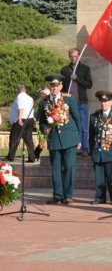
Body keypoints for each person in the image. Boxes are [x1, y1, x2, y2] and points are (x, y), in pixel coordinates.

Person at [38, 75, 81, 205]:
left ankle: (68, 195)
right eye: (52, 85)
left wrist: (79, 139)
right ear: (49, 86)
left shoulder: (68, 100)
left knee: (69, 167)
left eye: (57, 86)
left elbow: (77, 119)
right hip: (54, 139)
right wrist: (44, 129)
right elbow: (41, 122)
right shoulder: (44, 102)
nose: (54, 88)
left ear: (61, 86)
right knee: (56, 168)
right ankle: (57, 195)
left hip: (70, 138)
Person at [61, 48, 93, 157]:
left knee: (83, 126)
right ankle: (71, 147)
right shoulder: (65, 70)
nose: (73, 58)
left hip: (81, 102)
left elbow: (89, 84)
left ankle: (84, 148)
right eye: (71, 56)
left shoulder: (85, 69)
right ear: (69, 57)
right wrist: (68, 79)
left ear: (79, 56)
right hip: (68, 102)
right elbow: (61, 86)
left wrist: (77, 78)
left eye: (75, 56)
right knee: (69, 125)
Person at [6, 85, 35, 163]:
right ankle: (32, 157)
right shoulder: (30, 98)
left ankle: (11, 157)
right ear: (25, 90)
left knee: (14, 139)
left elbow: (21, 108)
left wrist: (19, 118)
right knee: (28, 139)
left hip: (22, 119)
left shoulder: (19, 97)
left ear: (17, 90)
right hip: (30, 119)